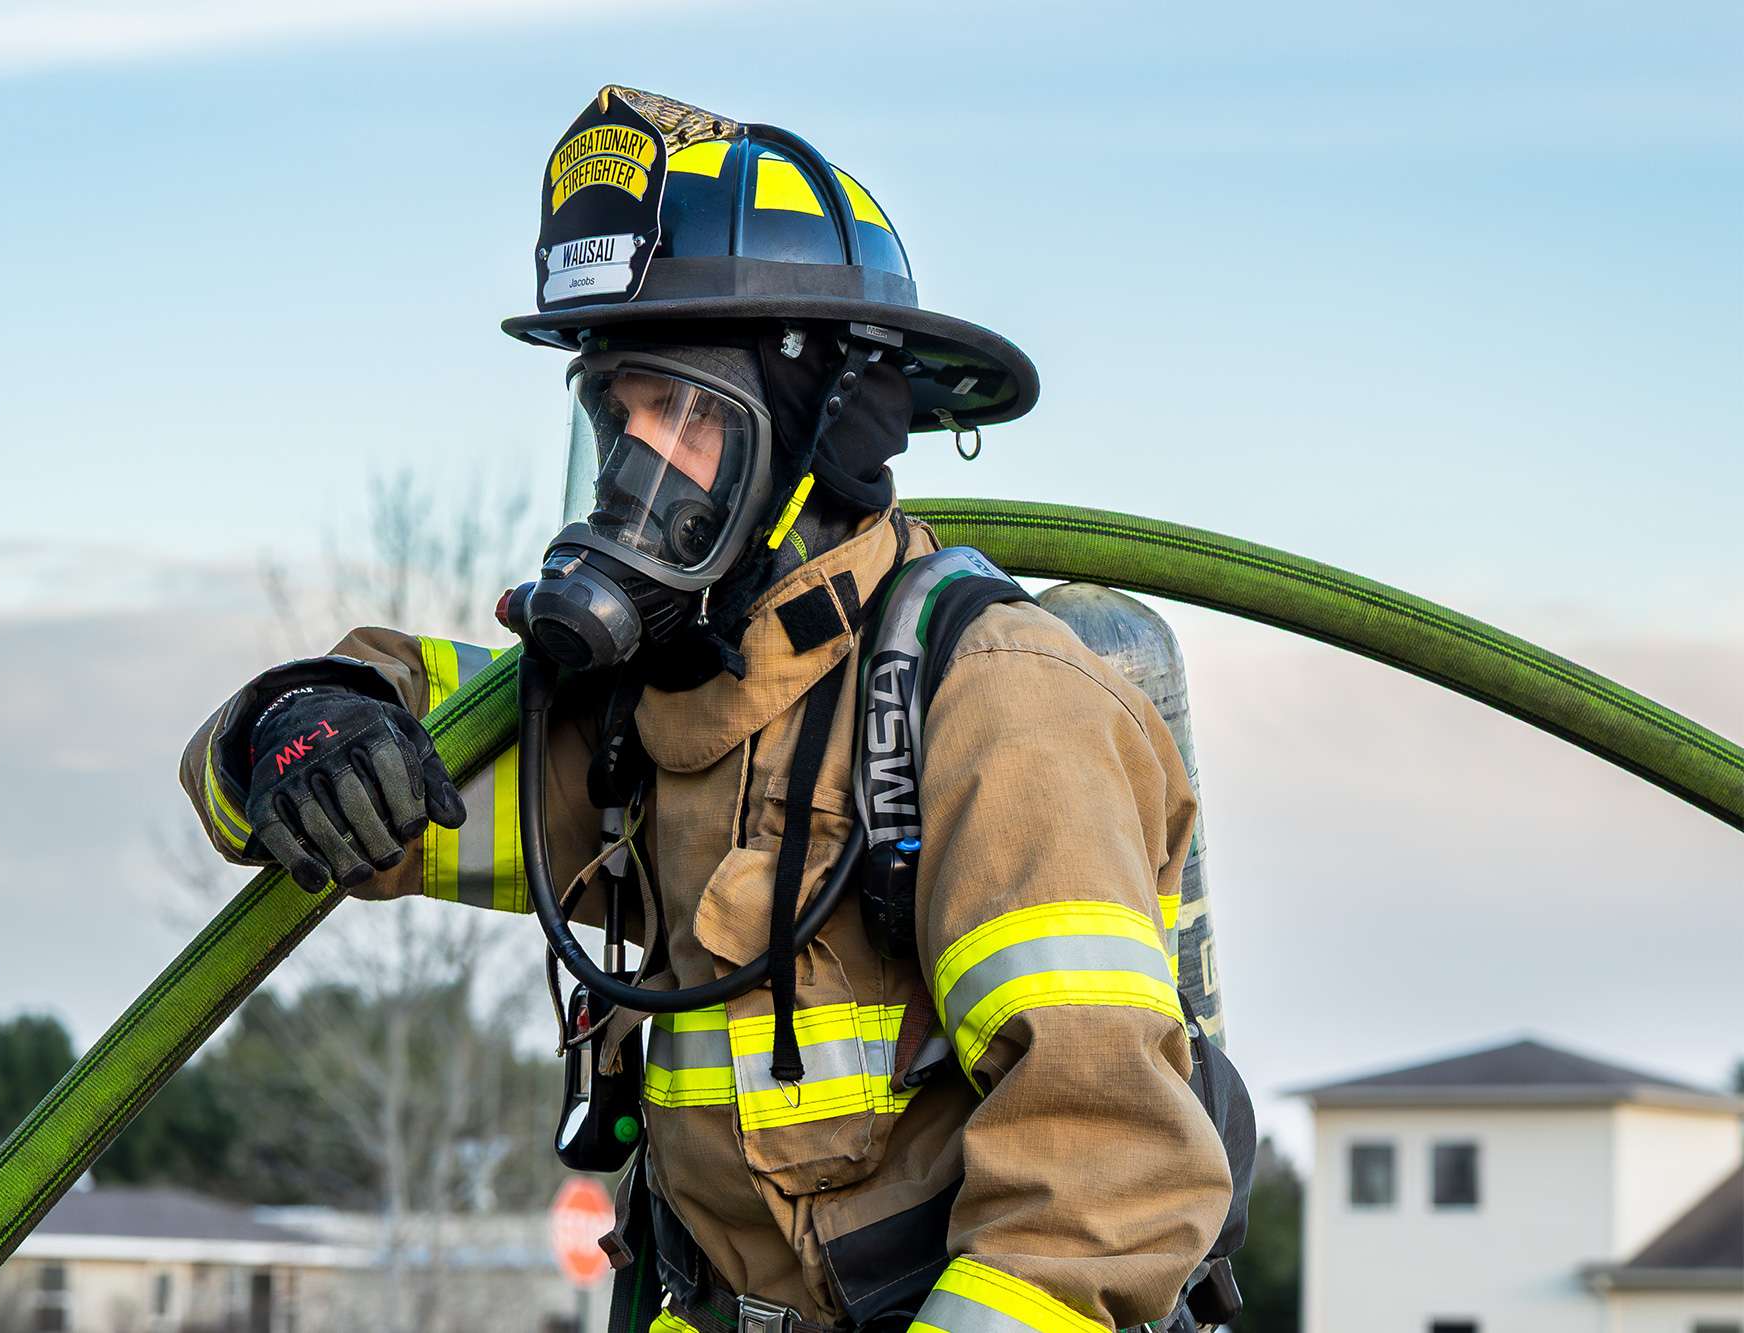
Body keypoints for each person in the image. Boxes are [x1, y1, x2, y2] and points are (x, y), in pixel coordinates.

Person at [181, 86, 1233, 1333]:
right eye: (610, 418)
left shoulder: (996, 706)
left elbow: (1107, 1184)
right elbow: (390, 793)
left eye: (677, 416)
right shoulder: (652, 720)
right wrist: (303, 718)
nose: (628, 471)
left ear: (822, 435)